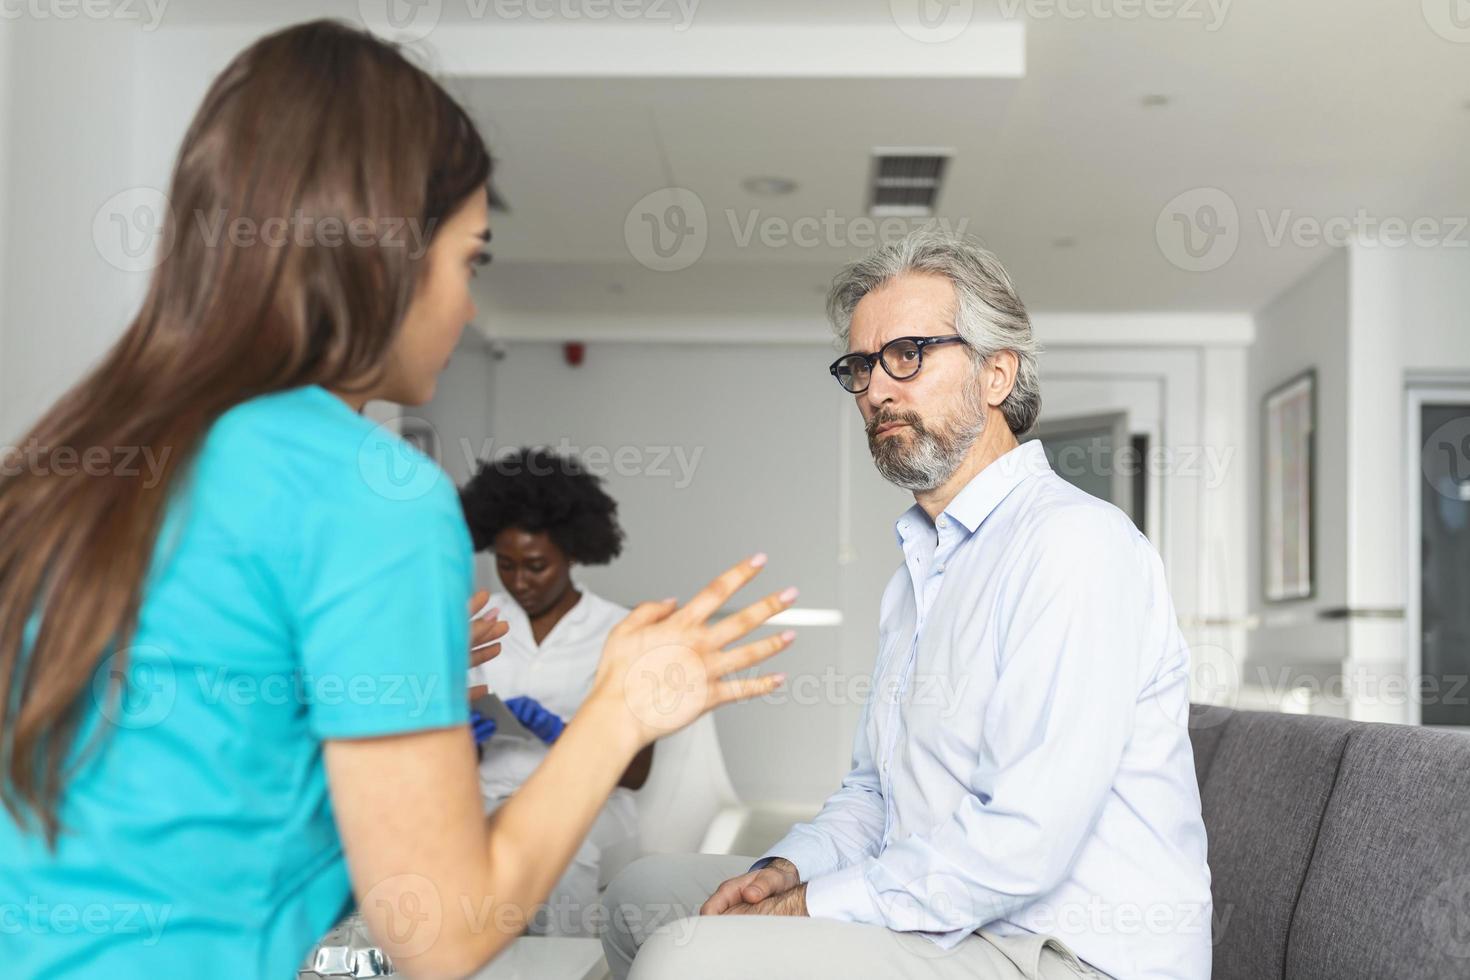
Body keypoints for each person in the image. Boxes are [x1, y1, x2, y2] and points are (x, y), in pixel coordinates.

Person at [0, 20, 795, 980]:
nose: (465, 305)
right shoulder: (368, 493)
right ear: (385, 256)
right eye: (469, 260)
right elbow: (441, 931)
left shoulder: (73, 460)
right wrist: (622, 706)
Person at [601, 230, 1213, 980]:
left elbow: (1023, 845)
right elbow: (874, 795)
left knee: (688, 959)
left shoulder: (1074, 546)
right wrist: (788, 872)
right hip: (953, 918)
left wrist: (808, 911)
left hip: (1062, 952)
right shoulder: (918, 572)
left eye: (909, 354)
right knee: (640, 900)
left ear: (997, 375)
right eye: (860, 366)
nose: (877, 389)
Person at [458, 447, 654, 936]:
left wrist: (564, 735)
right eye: (505, 564)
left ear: (572, 552)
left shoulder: (620, 630)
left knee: (554, 845)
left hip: (587, 804)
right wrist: (462, 734)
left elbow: (636, 773)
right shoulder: (475, 625)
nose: (519, 580)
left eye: (536, 565)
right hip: (488, 795)